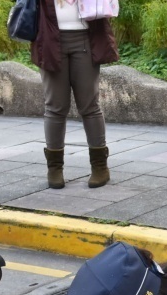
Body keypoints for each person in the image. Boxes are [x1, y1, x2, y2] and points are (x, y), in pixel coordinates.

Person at [32, 0, 118, 190]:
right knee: (55, 107)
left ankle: (100, 167)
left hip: (86, 38)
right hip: (50, 40)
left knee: (90, 105)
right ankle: (54, 168)